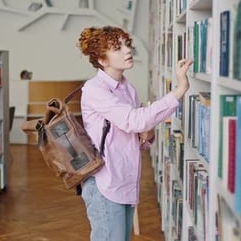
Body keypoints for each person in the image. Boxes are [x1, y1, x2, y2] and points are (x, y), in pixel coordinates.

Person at [77, 26, 193, 241]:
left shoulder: (127, 88)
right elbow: (134, 121)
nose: (127, 51)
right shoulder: (95, 89)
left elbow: (136, 133)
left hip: (126, 180)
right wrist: (179, 90)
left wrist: (146, 136)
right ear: (102, 60)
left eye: (127, 44)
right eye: (117, 48)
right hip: (105, 182)